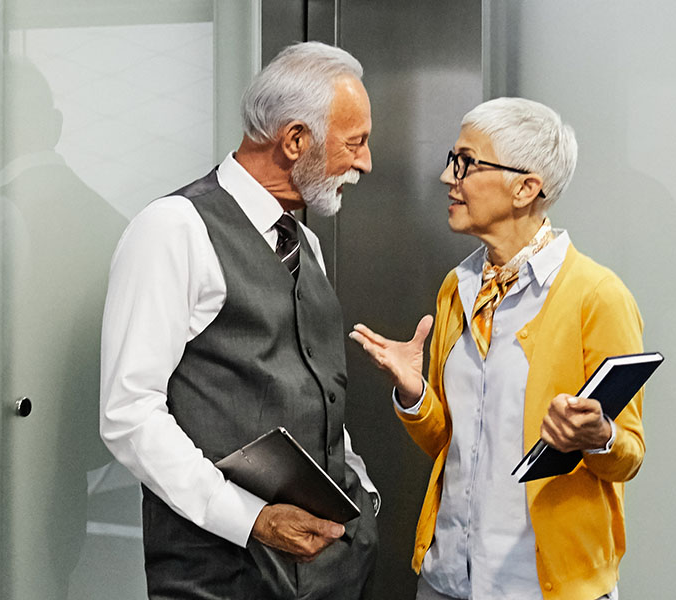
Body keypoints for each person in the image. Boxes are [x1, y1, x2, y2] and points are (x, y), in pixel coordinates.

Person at [100, 42, 379, 600]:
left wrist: (363, 495)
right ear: (295, 140)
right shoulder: (173, 229)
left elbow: (315, 390)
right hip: (222, 575)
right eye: (356, 143)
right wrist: (249, 519)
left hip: (334, 570)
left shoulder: (306, 245)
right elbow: (129, 413)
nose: (366, 163)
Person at [350, 97, 645, 600]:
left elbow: (628, 457)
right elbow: (450, 443)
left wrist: (598, 435)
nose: (448, 176)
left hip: (541, 587)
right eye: (452, 159)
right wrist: (415, 393)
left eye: (465, 162)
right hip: (447, 580)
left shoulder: (596, 295)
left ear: (526, 187)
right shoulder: (457, 287)